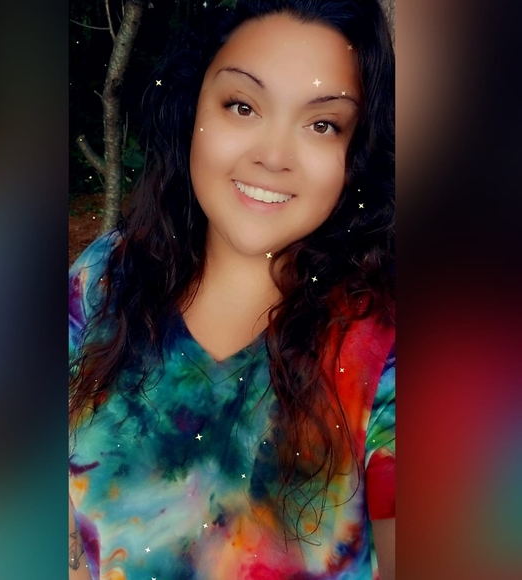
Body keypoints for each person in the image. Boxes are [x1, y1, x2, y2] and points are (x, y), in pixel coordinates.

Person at [69, 0, 395, 578]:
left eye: (322, 124)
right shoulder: (104, 280)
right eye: (243, 106)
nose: (272, 156)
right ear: (192, 107)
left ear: (357, 152)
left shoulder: (383, 345)